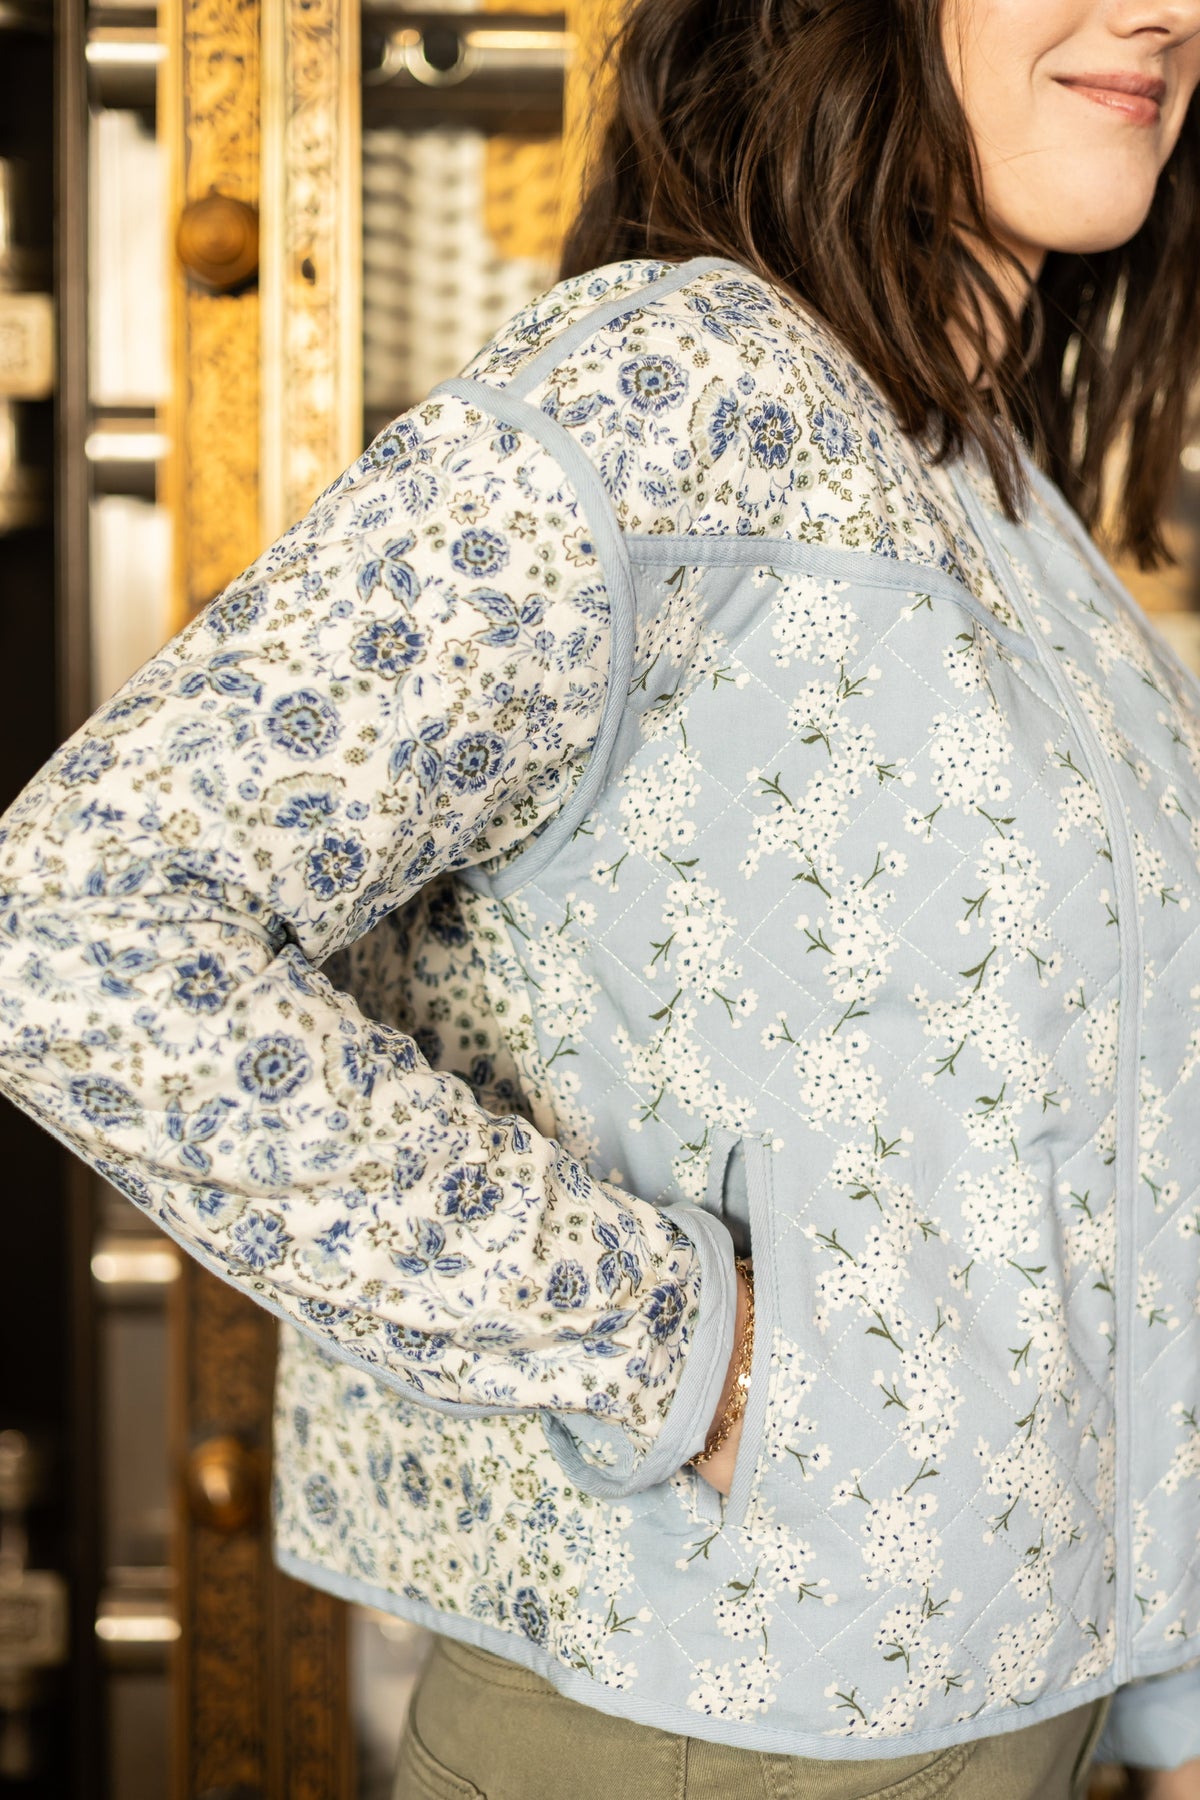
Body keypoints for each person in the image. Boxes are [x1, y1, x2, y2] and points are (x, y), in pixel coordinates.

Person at [2, 0, 1200, 1792]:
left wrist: (1170, 1702)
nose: (1165, 9)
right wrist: (667, 1348)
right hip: (694, 1740)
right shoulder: (666, 387)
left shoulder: (1003, 487)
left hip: (1030, 1719)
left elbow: (1125, 1145)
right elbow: (74, 928)